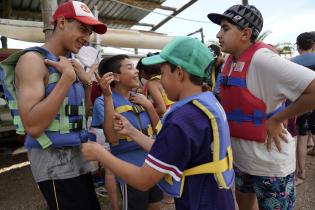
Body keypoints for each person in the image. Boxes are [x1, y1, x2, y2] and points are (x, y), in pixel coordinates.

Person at [82, 36, 235, 210]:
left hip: (199, 202)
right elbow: (167, 147)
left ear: (179, 73)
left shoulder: (182, 119)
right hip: (219, 198)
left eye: (162, 73)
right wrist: (132, 131)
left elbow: (142, 179)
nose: (160, 81)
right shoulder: (208, 101)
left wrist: (100, 154)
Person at [0, 1, 107, 210]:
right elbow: (32, 125)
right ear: (61, 22)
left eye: (90, 32)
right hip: (55, 164)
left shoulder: (69, 63)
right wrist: (67, 79)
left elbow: (79, 116)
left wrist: (85, 83)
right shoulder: (33, 61)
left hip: (76, 158)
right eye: (83, 29)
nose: (87, 38)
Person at [208, 4, 315, 210]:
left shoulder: (263, 59)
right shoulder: (229, 62)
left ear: (246, 33)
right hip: (242, 160)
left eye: (225, 28)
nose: (219, 34)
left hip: (270, 164)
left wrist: (277, 118)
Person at [91, 54, 163, 210]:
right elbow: (112, 137)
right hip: (130, 169)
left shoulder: (140, 98)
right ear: (115, 77)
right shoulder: (103, 102)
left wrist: (150, 107)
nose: (136, 71)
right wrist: (108, 96)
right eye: (130, 67)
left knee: (155, 206)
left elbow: (158, 130)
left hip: (152, 164)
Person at [291, 32, 315, 186]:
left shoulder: (292, 62)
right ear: (313, 45)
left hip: (302, 104)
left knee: (302, 138)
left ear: (298, 46)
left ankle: (301, 175)